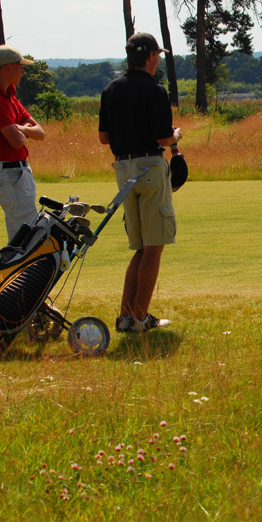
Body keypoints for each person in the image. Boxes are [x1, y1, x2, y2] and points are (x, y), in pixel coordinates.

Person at [98, 32, 182, 334]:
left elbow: (104, 137)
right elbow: (162, 137)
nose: (157, 60)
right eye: (156, 55)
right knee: (154, 246)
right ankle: (141, 319)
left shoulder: (111, 89)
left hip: (123, 170)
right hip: (150, 166)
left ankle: (126, 316)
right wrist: (176, 136)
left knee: (140, 248)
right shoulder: (154, 90)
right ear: (149, 57)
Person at [0, 44, 46, 240]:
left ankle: (16, 270)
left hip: (17, 173)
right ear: (8, 68)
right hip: (9, 174)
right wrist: (24, 132)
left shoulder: (9, 97)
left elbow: (40, 132)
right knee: (29, 233)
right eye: (20, 66)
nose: (23, 71)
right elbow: (16, 142)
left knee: (20, 233)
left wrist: (22, 128)